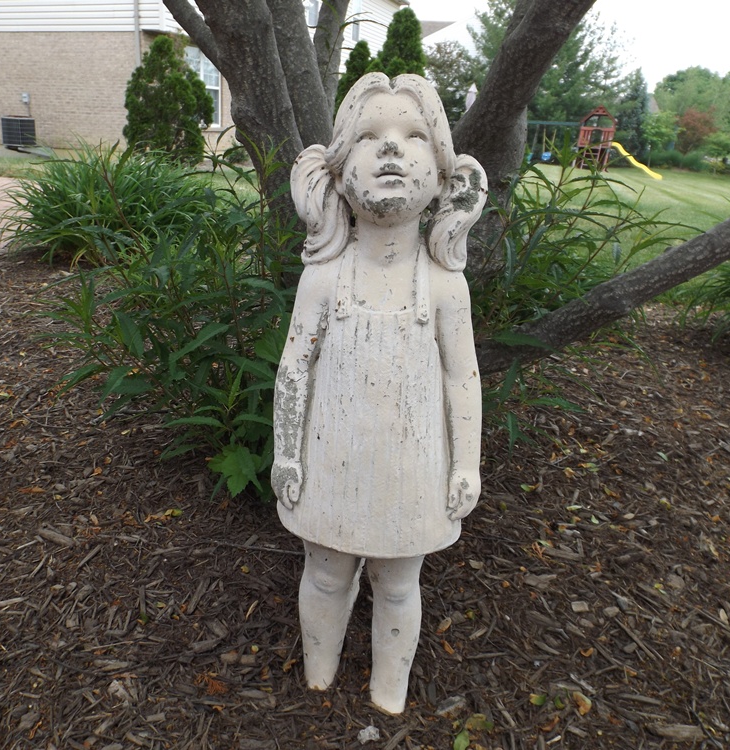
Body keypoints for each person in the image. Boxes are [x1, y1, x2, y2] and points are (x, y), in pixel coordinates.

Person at [272, 72, 486, 715]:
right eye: (370, 137)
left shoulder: (445, 288)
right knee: (326, 572)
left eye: (413, 135)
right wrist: (286, 454)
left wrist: (467, 461)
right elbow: (293, 372)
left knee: (398, 585)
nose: (392, 149)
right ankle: (320, 670)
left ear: (445, 176)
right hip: (329, 463)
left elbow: (462, 377)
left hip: (412, 472)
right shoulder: (324, 277)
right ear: (338, 173)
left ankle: (388, 689)